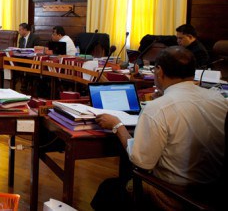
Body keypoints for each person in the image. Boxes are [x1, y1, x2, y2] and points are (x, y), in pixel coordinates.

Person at [92, 46, 228, 210]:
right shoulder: (219, 99)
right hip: (214, 193)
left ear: (159, 71)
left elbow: (141, 162)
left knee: (108, 190)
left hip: (175, 194)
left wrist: (117, 125)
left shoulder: (158, 108)